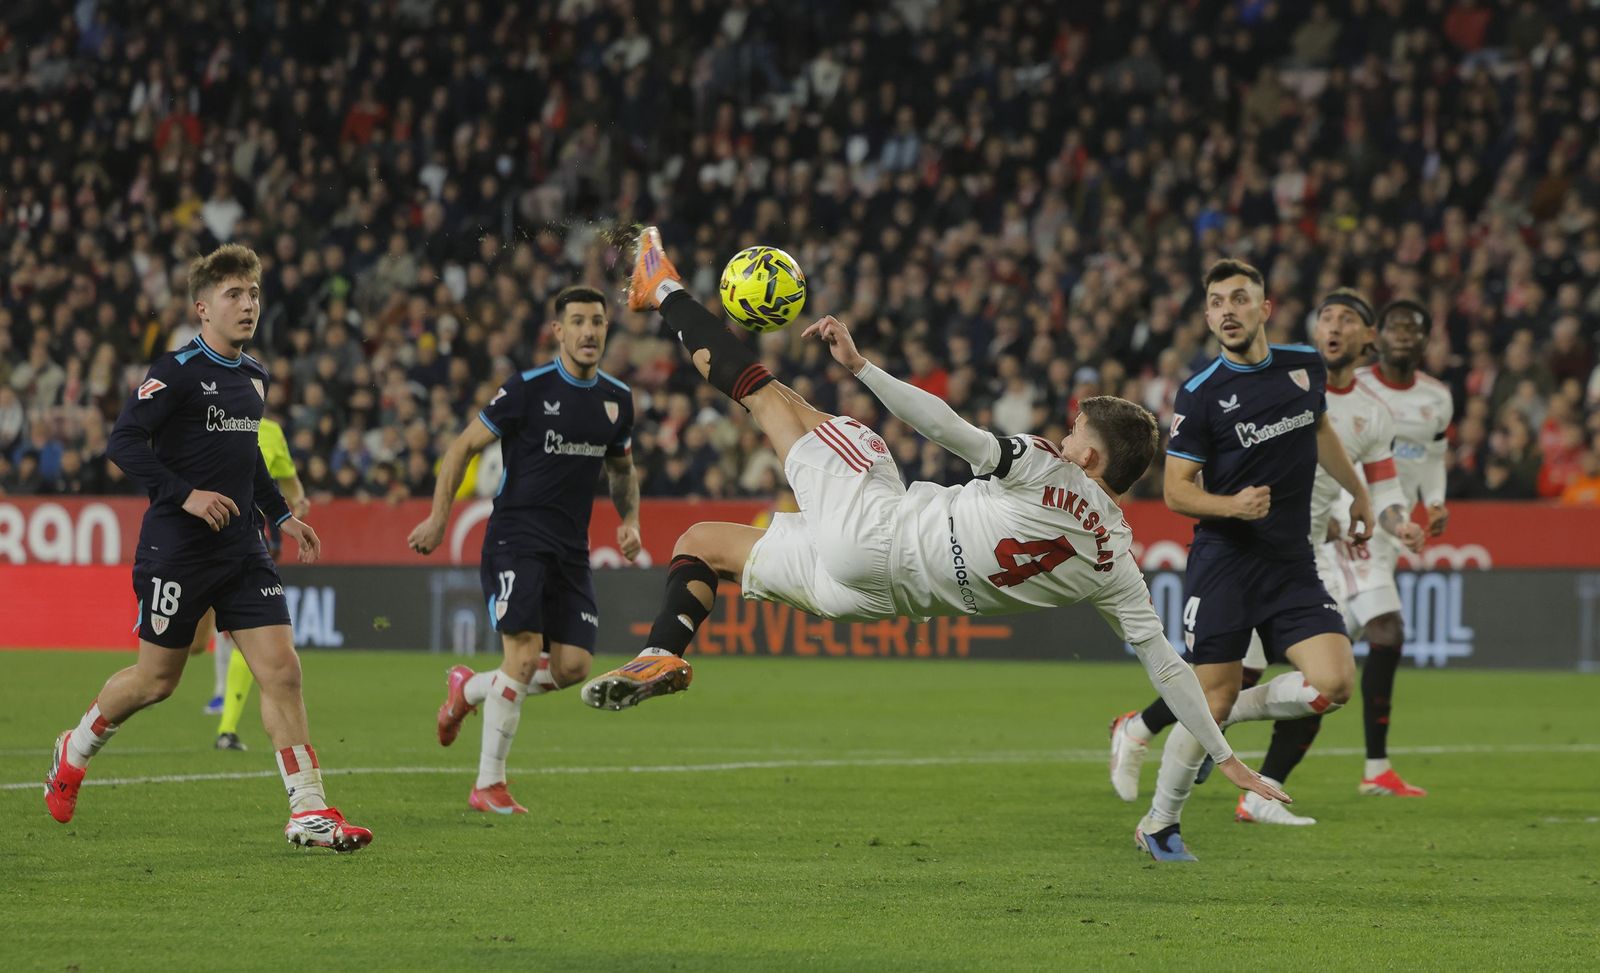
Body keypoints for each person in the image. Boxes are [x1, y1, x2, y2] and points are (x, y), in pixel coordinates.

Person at [580, 227, 1292, 816]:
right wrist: (1226, 757)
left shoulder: (1049, 468)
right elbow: (1166, 665)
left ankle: (660, 286)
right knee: (702, 543)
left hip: (878, 531)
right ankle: (664, 650)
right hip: (867, 598)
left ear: (1092, 458)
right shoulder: (1117, 562)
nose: (1064, 434)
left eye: (1076, 431)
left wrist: (863, 367)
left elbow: (951, 430)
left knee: (775, 401)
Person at [45, 244, 371, 852]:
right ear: (203, 307)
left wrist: (281, 515)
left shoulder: (255, 376)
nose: (248, 305)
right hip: (177, 550)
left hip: (242, 551)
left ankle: (308, 810)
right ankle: (76, 745)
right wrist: (185, 494)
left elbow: (247, 459)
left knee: (282, 671)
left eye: (254, 294)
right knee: (156, 681)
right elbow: (123, 442)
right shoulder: (175, 371)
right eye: (234, 295)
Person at [1108, 289, 1425, 823]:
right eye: (1327, 317)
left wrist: (1395, 520)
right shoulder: (1281, 379)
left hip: (1309, 555)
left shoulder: (1371, 412)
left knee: (1322, 680)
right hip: (1245, 552)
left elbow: (1382, 485)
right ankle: (1152, 749)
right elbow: (1191, 477)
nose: (1335, 328)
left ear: (1367, 337)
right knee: (1237, 681)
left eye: (1348, 319)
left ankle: (1256, 785)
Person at [407, 285, 642, 815]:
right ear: (558, 331)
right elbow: (462, 447)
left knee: (574, 667)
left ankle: (468, 690)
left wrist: (630, 520)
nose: (588, 331)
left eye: (597, 321)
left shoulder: (617, 399)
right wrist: (439, 518)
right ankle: (488, 785)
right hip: (516, 538)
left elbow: (622, 468)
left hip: (571, 550)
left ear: (607, 329)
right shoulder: (527, 389)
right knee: (522, 654)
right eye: (577, 321)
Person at [1344, 299, 1455, 796]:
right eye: (1395, 326)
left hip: (1395, 528)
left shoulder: (1437, 397)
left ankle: (1160, 726)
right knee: (1384, 633)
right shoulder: (1353, 386)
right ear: (1378, 336)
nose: (1404, 334)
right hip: (1353, 528)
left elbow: (1432, 458)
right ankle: (1375, 768)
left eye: (1414, 327)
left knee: (1321, 660)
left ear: (1425, 339)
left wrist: (1434, 502)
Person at [201, 415, 312, 751]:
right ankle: (224, 710)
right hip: (211, 532)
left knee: (247, 630)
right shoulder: (212, 417)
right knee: (199, 643)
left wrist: (297, 501)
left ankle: (226, 723)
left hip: (250, 535)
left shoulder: (269, 431)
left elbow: (287, 480)